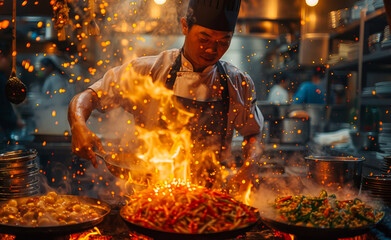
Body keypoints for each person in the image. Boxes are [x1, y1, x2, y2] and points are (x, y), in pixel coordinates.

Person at [68, 0, 264, 188]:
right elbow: (89, 96)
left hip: (210, 200)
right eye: (204, 39)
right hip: (151, 196)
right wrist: (78, 124)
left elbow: (253, 131)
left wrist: (250, 166)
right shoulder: (147, 71)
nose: (213, 49)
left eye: (223, 41)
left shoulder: (237, 83)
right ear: (185, 26)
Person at [0, 42, 24, 140]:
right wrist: (14, 122)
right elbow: (3, 107)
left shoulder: (2, 77)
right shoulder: (0, 78)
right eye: (8, 59)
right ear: (1, 57)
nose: (9, 63)